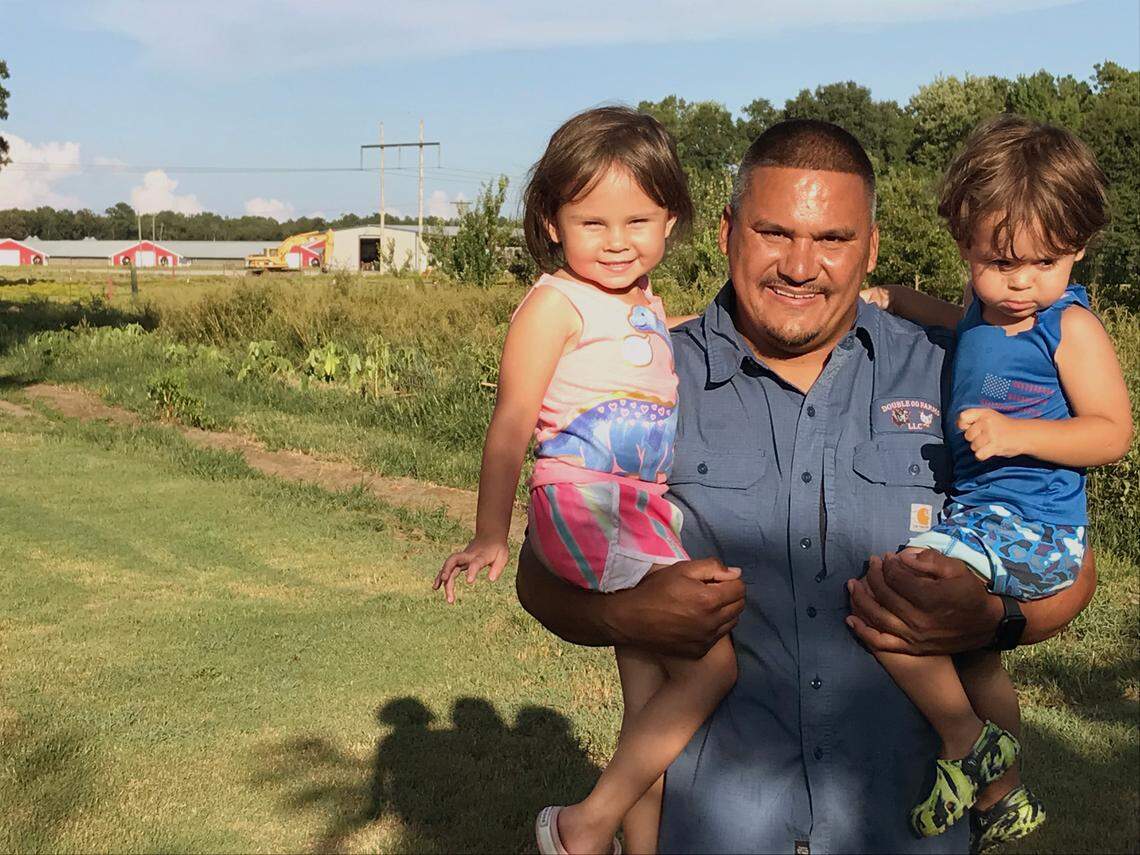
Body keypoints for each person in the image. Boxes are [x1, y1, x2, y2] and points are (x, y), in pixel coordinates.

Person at [516, 118, 1099, 854]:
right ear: (729, 231)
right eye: (774, 232)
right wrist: (629, 614)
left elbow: (1074, 567)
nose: (801, 265)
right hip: (716, 830)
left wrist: (989, 619)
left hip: (905, 829)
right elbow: (538, 574)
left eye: (832, 240)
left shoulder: (950, 372)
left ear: (872, 247)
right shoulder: (653, 374)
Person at [433, 106, 738, 855]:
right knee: (713, 665)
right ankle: (584, 824)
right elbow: (511, 422)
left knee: (647, 707)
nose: (616, 240)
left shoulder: (641, 305)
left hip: (639, 512)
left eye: (639, 219)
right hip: (588, 508)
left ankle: (637, 844)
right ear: (552, 221)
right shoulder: (554, 305)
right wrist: (489, 533)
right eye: (592, 221)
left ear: (671, 221)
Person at [860, 114, 1132, 850]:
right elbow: (958, 321)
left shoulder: (1067, 328)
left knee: (890, 593)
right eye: (999, 262)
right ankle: (1004, 794)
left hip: (1035, 529)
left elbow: (1113, 430)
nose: (1021, 284)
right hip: (986, 519)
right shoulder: (988, 312)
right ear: (964, 245)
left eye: (1045, 263)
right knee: (971, 654)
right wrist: (899, 300)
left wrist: (1018, 434)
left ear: (1077, 246)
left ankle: (964, 742)